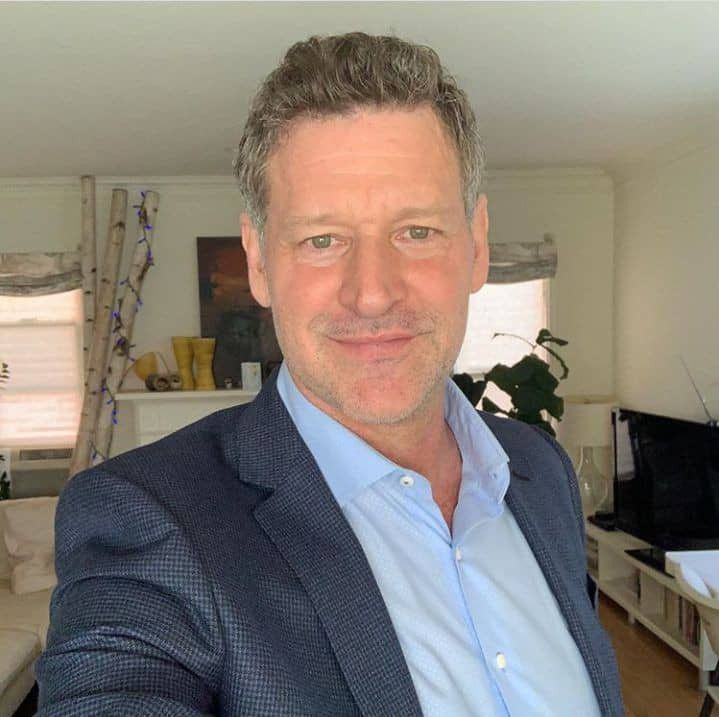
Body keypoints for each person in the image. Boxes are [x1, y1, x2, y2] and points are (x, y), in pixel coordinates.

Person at [36, 32, 623, 716]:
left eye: (416, 231)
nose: (371, 293)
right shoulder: (147, 521)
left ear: (476, 245)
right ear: (259, 261)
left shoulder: (540, 471)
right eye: (322, 240)